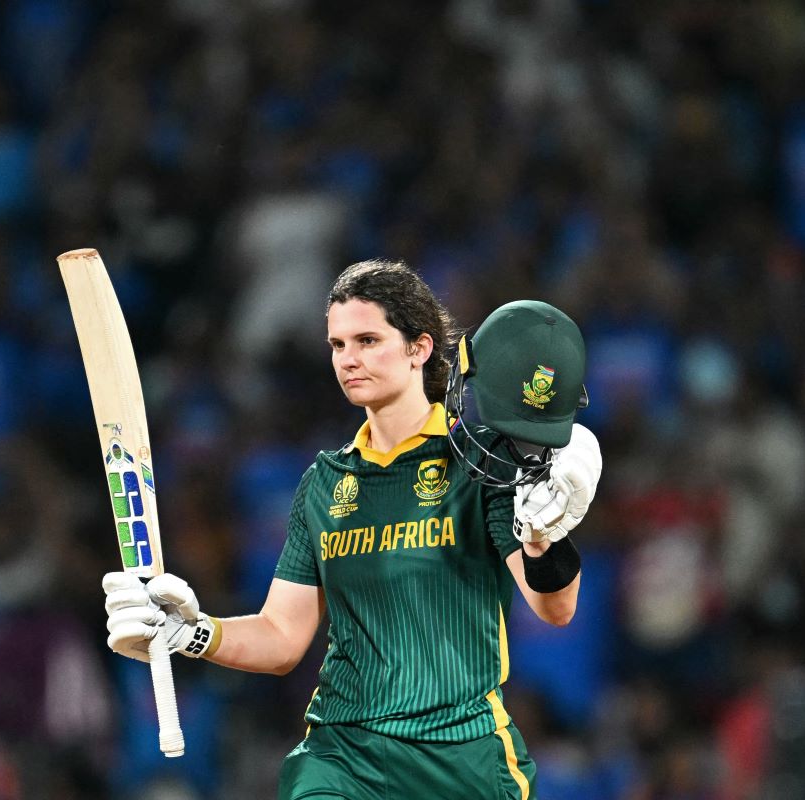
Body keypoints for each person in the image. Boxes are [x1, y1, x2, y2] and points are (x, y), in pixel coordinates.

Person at [103, 259, 602, 799]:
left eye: (367, 340)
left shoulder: (482, 463)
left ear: (419, 348)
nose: (348, 359)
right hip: (344, 753)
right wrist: (191, 633)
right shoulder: (324, 482)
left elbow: (556, 608)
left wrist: (543, 537)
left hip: (463, 757)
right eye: (338, 345)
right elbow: (282, 637)